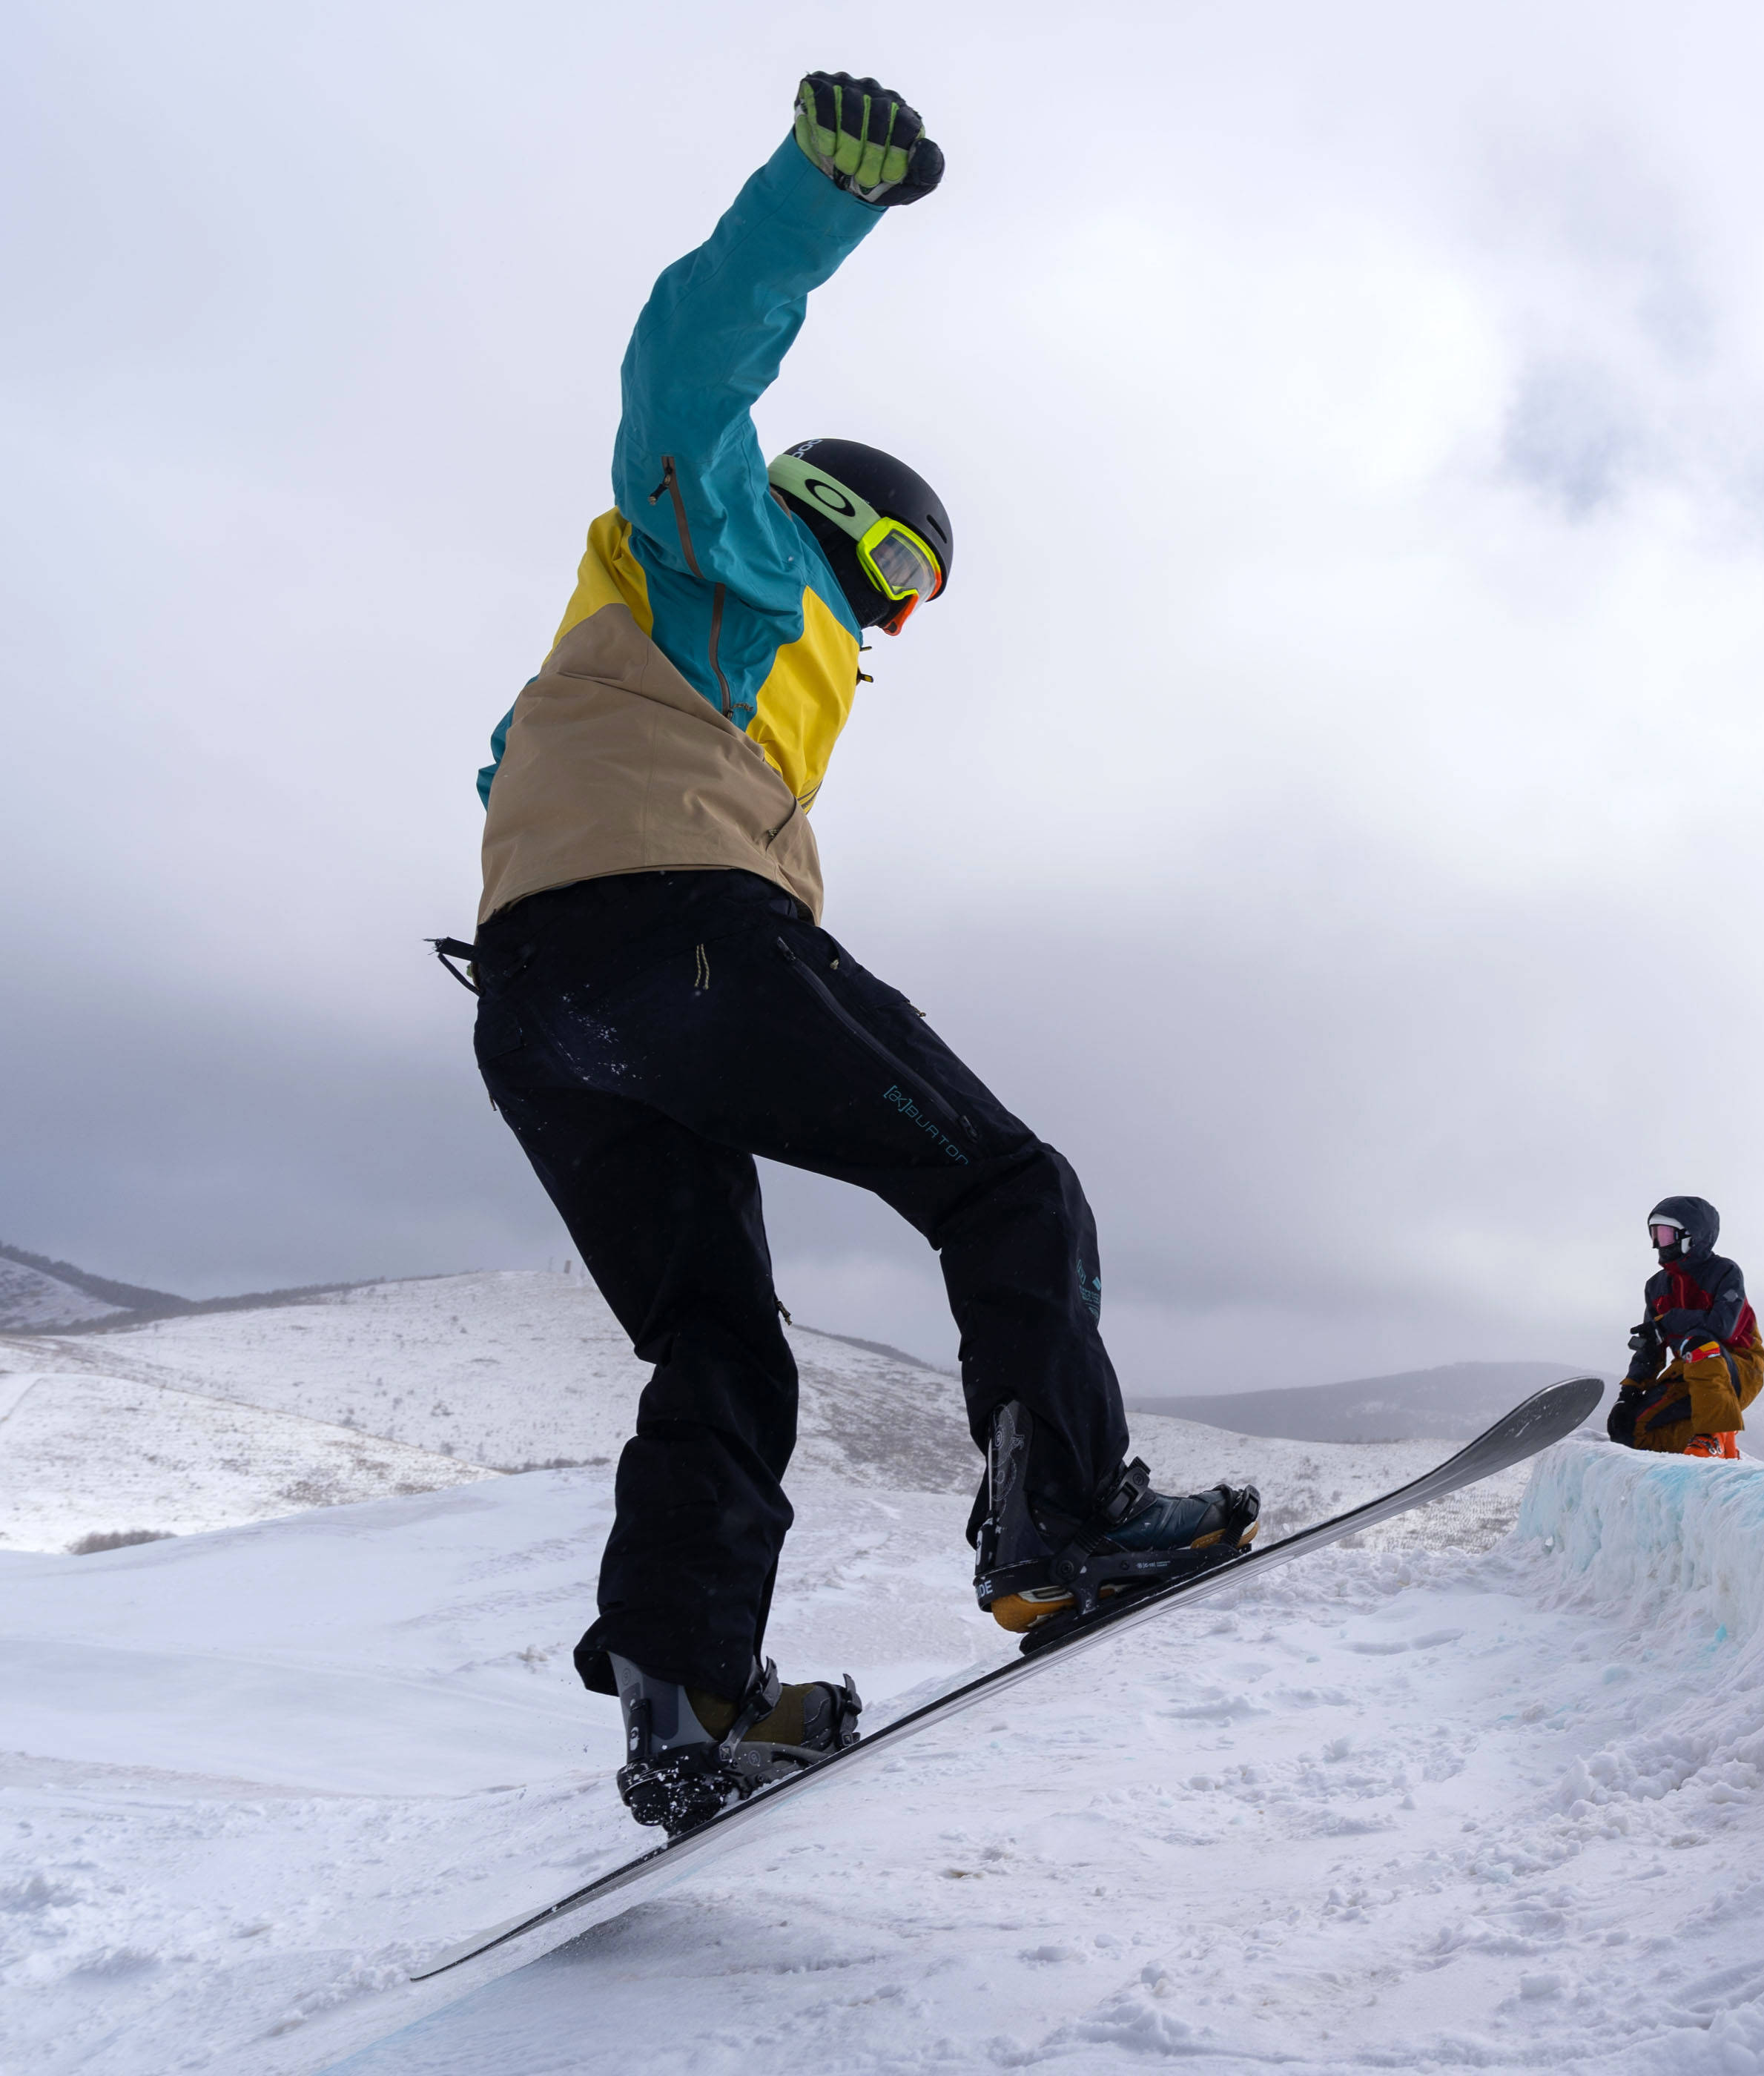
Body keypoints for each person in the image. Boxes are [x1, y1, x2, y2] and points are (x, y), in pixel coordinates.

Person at [461, 73, 1257, 1834]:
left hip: (539, 1010)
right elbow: (686, 369)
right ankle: (1060, 1519)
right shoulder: (735, 552)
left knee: (722, 1351)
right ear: (830, 510)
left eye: (915, 599)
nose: (891, 616)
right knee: (1009, 1188)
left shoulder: (662, 658)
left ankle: (694, 1698)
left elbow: (530, 776)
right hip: (670, 942)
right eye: (899, 566)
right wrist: (821, 198)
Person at [1607, 1197, 1764, 1458]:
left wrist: (1668, 1322)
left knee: (1700, 1342)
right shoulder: (1656, 1286)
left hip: (1738, 1368)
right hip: (1687, 1371)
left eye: (1667, 1234)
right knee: (1629, 1431)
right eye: (1655, 1235)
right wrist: (1630, 1391)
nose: (1659, 1244)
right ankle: (1709, 1449)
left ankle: (1714, 1435)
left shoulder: (1724, 1272)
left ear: (1693, 1236)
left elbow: (1722, 1327)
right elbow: (1651, 1346)